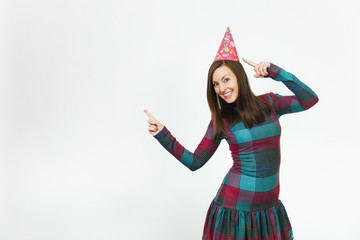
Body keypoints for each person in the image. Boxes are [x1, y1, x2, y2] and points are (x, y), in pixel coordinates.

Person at [144, 27, 319, 240]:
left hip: (269, 210)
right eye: (215, 84)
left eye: (226, 79)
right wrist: (163, 134)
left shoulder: (270, 103)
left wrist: (276, 72)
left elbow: (309, 99)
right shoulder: (221, 120)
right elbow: (195, 162)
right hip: (234, 212)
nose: (221, 88)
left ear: (238, 77)